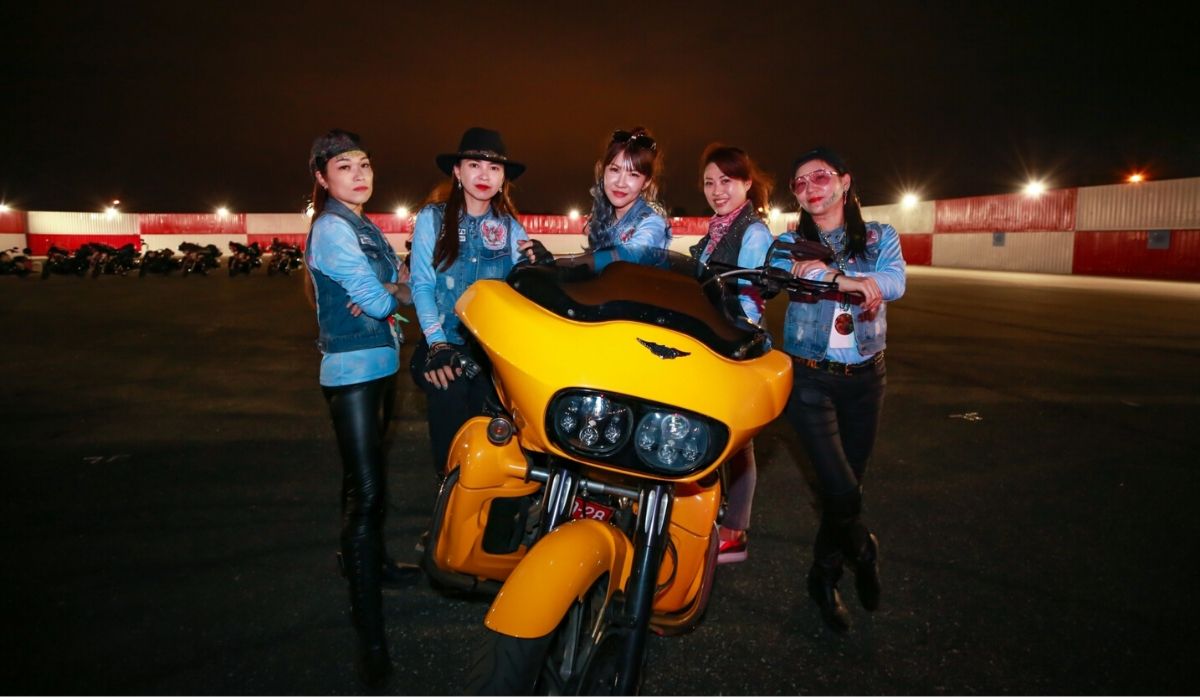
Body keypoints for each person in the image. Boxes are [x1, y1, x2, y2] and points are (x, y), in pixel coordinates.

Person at [303, 128, 418, 687]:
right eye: (344, 166)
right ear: (322, 178)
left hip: (381, 365)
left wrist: (391, 290)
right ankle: (369, 636)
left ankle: (375, 563)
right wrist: (392, 293)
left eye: (365, 164)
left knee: (366, 479)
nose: (359, 174)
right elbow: (380, 297)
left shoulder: (364, 226)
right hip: (351, 372)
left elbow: (398, 284)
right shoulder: (331, 227)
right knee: (366, 494)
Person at [776, 146, 906, 631]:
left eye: (820, 177)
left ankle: (824, 576)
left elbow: (894, 281)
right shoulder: (792, 243)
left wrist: (842, 277)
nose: (810, 188)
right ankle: (862, 549)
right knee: (842, 491)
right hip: (810, 379)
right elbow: (779, 271)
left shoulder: (880, 236)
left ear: (845, 182)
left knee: (848, 485)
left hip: (867, 379)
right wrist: (838, 279)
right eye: (800, 182)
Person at [409, 127, 548, 476]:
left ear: (503, 179)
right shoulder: (432, 219)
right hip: (441, 344)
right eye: (474, 165)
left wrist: (541, 266)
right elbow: (422, 285)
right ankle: (449, 497)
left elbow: (525, 294)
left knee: (494, 443)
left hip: (490, 353)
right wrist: (437, 344)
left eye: (494, 168)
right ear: (458, 172)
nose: (484, 175)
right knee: (451, 418)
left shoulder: (512, 229)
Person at [689, 144, 775, 564]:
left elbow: (751, 300)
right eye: (709, 182)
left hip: (735, 344)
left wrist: (731, 340)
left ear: (746, 183)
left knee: (738, 441)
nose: (717, 190)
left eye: (726, 180)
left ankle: (735, 532)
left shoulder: (753, 232)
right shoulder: (718, 229)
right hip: (711, 342)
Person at [582, 127, 672, 268]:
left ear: (646, 182)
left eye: (633, 174)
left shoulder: (653, 223)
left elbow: (630, 256)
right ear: (603, 171)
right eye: (615, 170)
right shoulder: (601, 219)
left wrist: (570, 264)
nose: (620, 183)